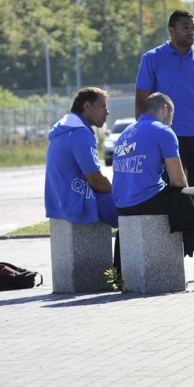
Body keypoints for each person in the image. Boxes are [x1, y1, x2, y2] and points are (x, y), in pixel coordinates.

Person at [112, 92, 194, 290]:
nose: (172, 121)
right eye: (172, 115)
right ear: (165, 109)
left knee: (189, 199)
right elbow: (178, 180)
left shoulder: (126, 132)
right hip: (147, 200)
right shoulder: (163, 131)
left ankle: (118, 274)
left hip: (123, 205)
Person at [135, 9, 194, 201]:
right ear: (171, 30)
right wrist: (143, 135)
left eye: (193, 28)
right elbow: (142, 100)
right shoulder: (152, 58)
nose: (190, 31)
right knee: (173, 196)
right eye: (185, 27)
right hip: (166, 136)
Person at [44, 87, 120, 271]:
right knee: (132, 211)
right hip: (78, 201)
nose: (107, 111)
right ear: (87, 106)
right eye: (102, 106)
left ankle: (120, 270)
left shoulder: (65, 128)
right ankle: (124, 273)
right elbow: (95, 178)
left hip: (58, 202)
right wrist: (119, 194)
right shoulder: (80, 133)